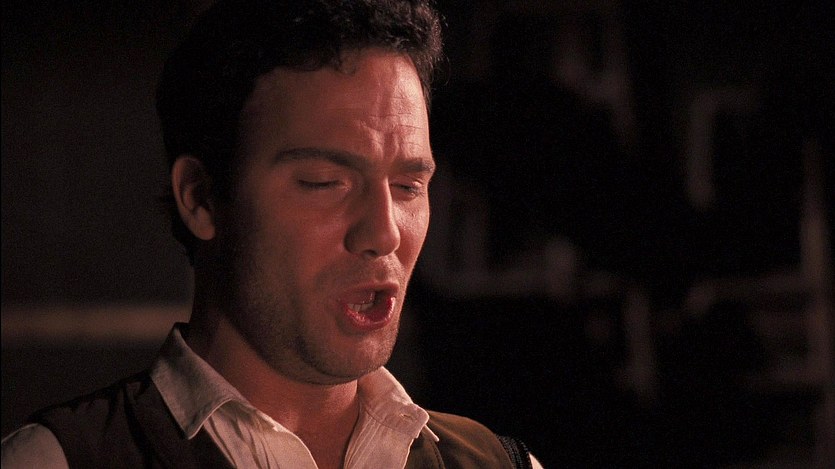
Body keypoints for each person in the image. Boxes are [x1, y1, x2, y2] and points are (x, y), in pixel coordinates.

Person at [1, 1, 543, 467]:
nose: (384, 234)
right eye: (324, 182)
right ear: (201, 197)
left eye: (408, 186)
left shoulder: (494, 462)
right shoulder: (61, 460)